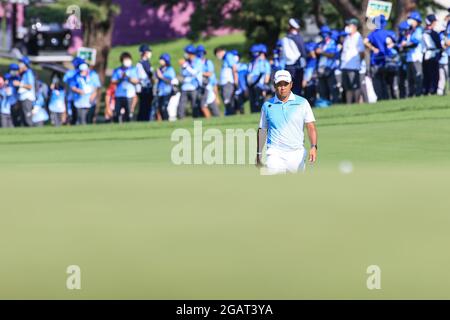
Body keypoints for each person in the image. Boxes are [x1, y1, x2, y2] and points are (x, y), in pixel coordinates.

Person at [256, 70, 317, 175]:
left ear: (291, 84)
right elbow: (262, 130)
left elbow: (310, 126)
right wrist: (259, 153)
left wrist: (313, 146)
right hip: (274, 152)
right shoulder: (267, 105)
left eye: (286, 84)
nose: (283, 88)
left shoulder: (302, 102)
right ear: (274, 85)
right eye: (279, 84)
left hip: (296, 152)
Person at [365, 15, 390, 100]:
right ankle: (387, 97)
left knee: (376, 80)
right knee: (385, 80)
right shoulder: (387, 33)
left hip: (375, 60)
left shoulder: (373, 34)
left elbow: (365, 42)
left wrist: (373, 48)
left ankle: (380, 97)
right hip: (386, 60)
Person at [340, 18, 365, 104]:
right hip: (345, 65)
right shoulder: (347, 37)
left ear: (355, 27)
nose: (347, 27)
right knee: (347, 87)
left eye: (349, 25)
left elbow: (362, 52)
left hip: (353, 65)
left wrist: (358, 61)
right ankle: (349, 103)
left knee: (355, 86)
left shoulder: (358, 37)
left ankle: (357, 102)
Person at [111, 52, 139, 123]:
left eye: (128, 59)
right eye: (125, 59)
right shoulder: (117, 70)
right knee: (117, 113)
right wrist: (121, 78)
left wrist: (128, 77)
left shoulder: (133, 69)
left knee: (129, 113)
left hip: (129, 95)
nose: (127, 61)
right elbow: (113, 81)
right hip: (119, 95)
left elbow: (136, 80)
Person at [400, 11, 423, 97]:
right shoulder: (409, 31)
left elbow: (415, 42)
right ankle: (411, 94)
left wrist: (405, 44)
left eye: (411, 19)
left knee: (417, 76)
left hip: (416, 57)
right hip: (409, 57)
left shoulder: (418, 30)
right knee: (410, 78)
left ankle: (418, 94)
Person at [281, 18, 307, 95]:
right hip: (296, 65)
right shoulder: (297, 37)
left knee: (291, 87)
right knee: (296, 87)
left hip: (290, 66)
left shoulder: (286, 38)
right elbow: (302, 52)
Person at [178, 44, 203, 119]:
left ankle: (196, 121)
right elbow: (183, 73)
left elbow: (195, 72)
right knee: (181, 106)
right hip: (185, 87)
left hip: (194, 87)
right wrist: (184, 66)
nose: (185, 54)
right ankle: (181, 120)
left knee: (195, 105)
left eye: (186, 52)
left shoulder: (197, 61)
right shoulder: (186, 62)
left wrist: (186, 66)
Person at [316, 25, 339, 103]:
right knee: (322, 89)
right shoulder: (320, 44)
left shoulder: (332, 43)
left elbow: (332, 55)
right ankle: (325, 103)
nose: (324, 35)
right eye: (323, 33)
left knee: (332, 88)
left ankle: (335, 103)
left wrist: (322, 52)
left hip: (330, 68)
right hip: (321, 69)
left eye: (325, 33)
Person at [247, 44, 271, 113]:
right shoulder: (252, 63)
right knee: (252, 101)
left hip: (259, 84)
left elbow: (267, 75)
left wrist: (264, 86)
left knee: (260, 101)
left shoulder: (264, 63)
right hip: (251, 84)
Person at [214, 46, 238, 115]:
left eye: (217, 54)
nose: (217, 56)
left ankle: (230, 114)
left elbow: (234, 67)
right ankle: (230, 113)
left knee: (227, 100)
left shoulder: (228, 56)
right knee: (227, 100)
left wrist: (236, 80)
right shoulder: (225, 58)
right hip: (225, 83)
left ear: (220, 52)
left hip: (228, 82)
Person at [422, 14, 441, 95]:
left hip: (425, 55)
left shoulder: (423, 32)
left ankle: (427, 90)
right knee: (433, 74)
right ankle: (432, 90)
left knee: (427, 74)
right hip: (432, 55)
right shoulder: (432, 33)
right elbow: (438, 45)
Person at [14, 56, 36, 126]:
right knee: (23, 119)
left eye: (21, 63)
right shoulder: (23, 74)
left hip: (27, 98)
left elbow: (30, 86)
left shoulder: (28, 73)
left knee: (28, 118)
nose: (19, 65)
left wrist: (19, 84)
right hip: (23, 97)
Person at [196, 45, 217, 118]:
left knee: (206, 105)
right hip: (200, 87)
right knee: (205, 105)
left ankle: (213, 119)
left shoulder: (208, 62)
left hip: (208, 86)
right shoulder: (196, 62)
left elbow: (210, 74)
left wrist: (199, 73)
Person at [155, 53, 176, 121]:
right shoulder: (160, 69)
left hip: (167, 91)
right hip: (160, 91)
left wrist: (161, 76)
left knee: (164, 107)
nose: (160, 61)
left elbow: (170, 81)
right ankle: (163, 120)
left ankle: (166, 120)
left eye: (162, 59)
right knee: (159, 108)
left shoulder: (170, 69)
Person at [136, 44, 154, 121]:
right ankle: (142, 120)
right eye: (148, 51)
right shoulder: (141, 63)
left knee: (147, 106)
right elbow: (148, 75)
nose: (149, 53)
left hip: (148, 87)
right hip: (144, 88)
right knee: (144, 106)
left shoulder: (147, 62)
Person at [63, 57, 84, 125]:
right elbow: (66, 84)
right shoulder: (70, 73)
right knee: (72, 115)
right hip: (72, 97)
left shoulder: (82, 73)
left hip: (80, 97)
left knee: (78, 115)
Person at [384, 35, 401, 99]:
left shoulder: (395, 48)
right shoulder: (385, 49)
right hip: (387, 69)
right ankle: (391, 97)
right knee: (389, 85)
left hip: (394, 68)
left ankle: (397, 97)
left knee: (395, 84)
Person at [397, 20, 410, 98]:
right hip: (401, 62)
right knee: (401, 81)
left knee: (409, 79)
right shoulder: (400, 38)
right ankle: (402, 95)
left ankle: (409, 94)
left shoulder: (409, 37)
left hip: (408, 61)